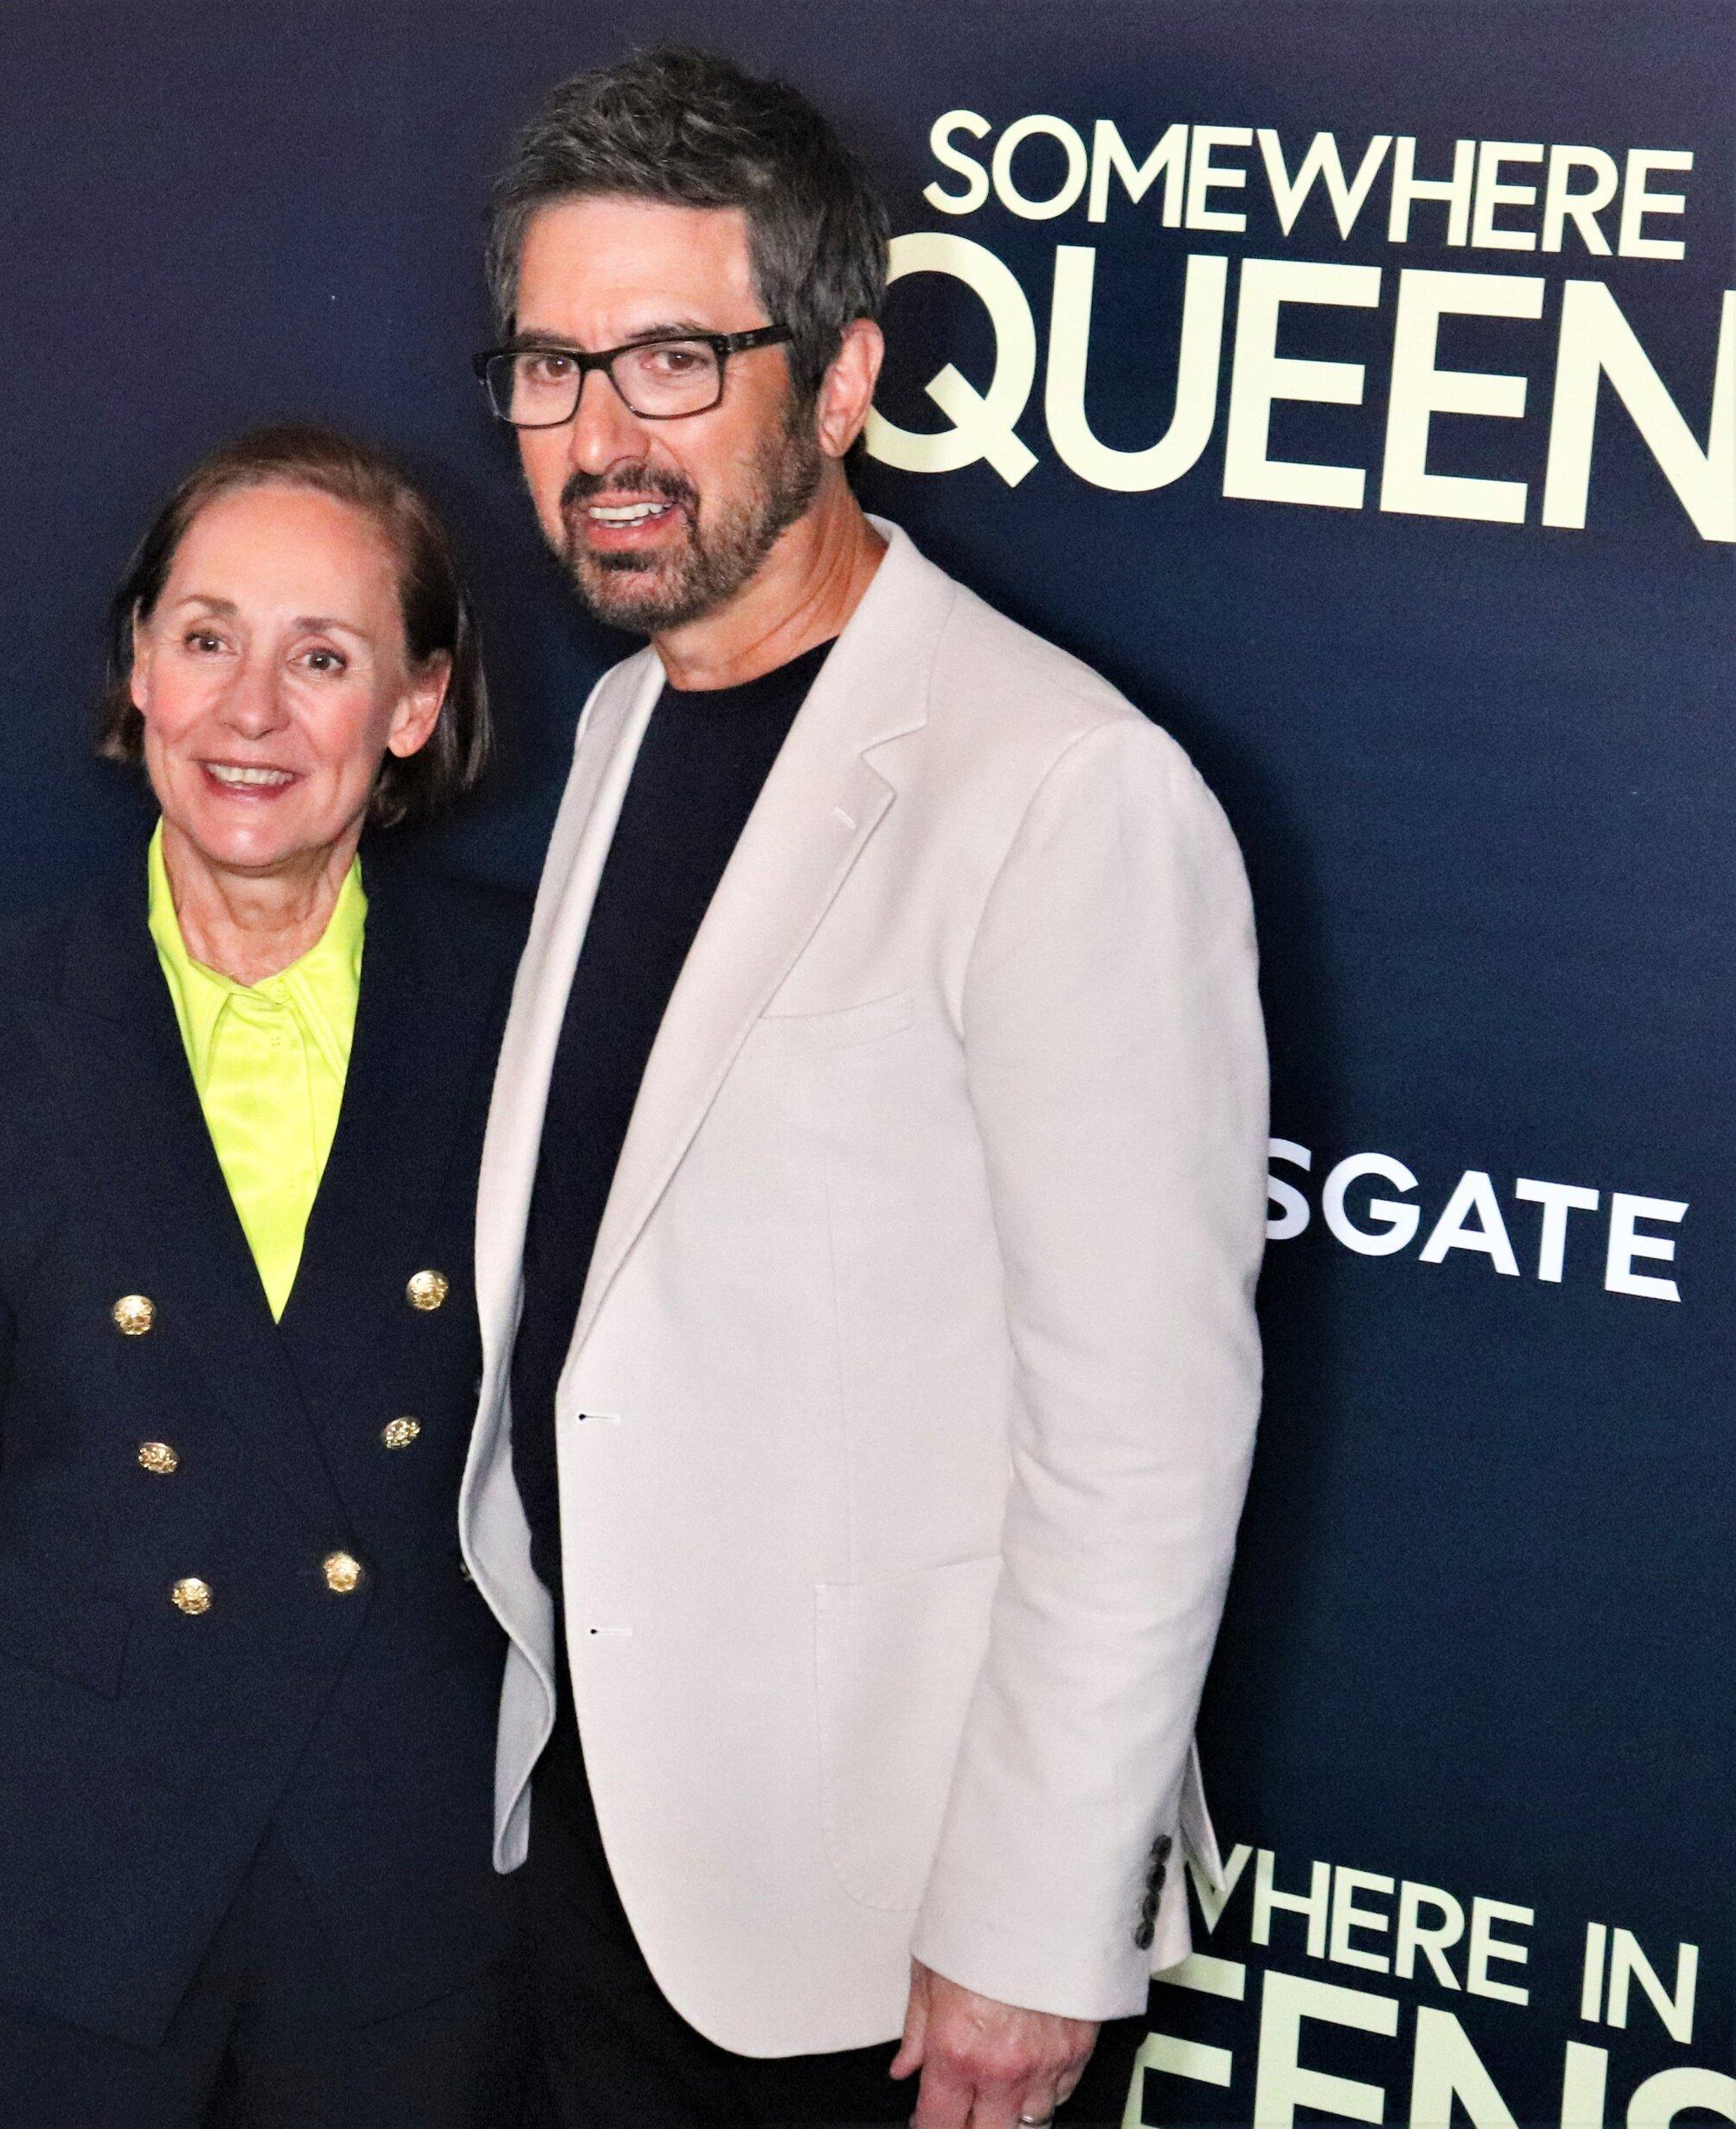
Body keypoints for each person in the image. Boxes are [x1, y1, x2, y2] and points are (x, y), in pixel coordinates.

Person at [455, 50, 1269, 2129]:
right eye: (550, 366)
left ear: (834, 384)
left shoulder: (1061, 788)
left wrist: (1026, 1918)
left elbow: (1142, 1432)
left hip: (890, 1944)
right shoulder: (626, 724)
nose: (598, 438)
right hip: (603, 1845)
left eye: (670, 359)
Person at [0, 425, 532, 2129]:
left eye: (323, 656)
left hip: (403, 1913)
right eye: (206, 636)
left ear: (415, 705)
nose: (249, 712)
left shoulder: (527, 1009)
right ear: (138, 662)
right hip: (71, 1904)